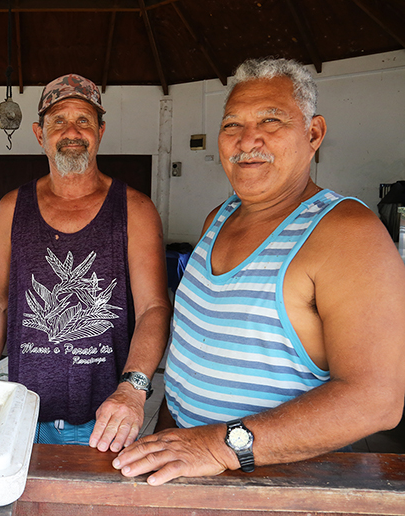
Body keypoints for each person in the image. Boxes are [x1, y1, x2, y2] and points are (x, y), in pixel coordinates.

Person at [113, 58, 405, 485]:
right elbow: (196, 352)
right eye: (232, 125)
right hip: (184, 468)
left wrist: (219, 445)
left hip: (271, 484)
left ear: (313, 134)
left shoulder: (347, 234)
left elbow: (377, 398)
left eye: (271, 119)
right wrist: (169, 432)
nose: (248, 140)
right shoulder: (220, 216)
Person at [0, 74, 172, 452]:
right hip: (24, 415)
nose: (72, 131)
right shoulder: (11, 208)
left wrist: (133, 390)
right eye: (58, 121)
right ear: (38, 133)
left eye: (83, 120)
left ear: (100, 130)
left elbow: (153, 308)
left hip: (106, 420)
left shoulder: (135, 210)